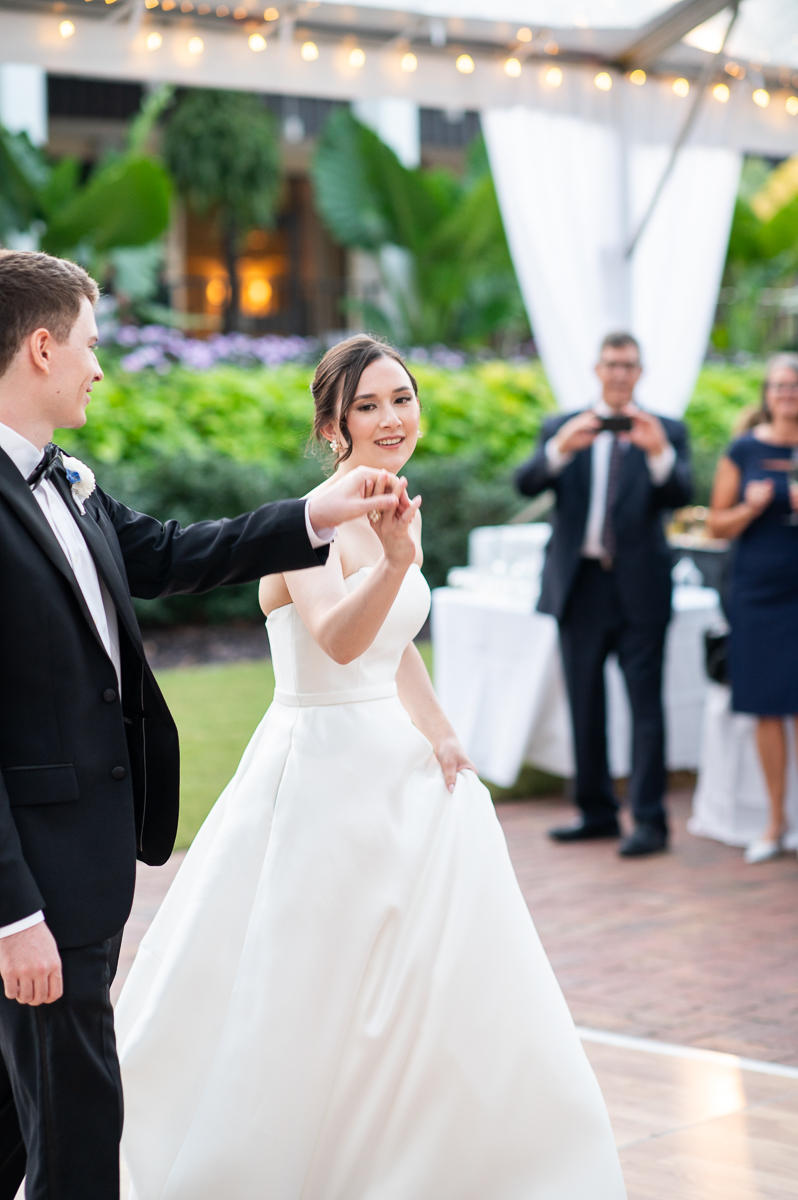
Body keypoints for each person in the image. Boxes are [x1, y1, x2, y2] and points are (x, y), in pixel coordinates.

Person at [116, 335, 626, 1200]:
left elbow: (397, 650)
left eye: (402, 398)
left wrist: (443, 733)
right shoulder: (298, 530)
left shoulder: (397, 506)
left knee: (428, 989)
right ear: (332, 426)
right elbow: (343, 639)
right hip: (317, 778)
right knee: (310, 985)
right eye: (368, 405)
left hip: (397, 775)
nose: (392, 419)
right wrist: (394, 561)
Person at [0, 250, 405, 1200]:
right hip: (35, 889)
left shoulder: (70, 481)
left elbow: (175, 555)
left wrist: (316, 510)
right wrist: (12, 912)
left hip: (84, 864)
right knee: (77, 1130)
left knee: (28, 1120)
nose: (101, 368)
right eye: (93, 347)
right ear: (43, 346)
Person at [515, 333, 692, 857]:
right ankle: (595, 812)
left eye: (629, 366)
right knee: (584, 704)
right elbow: (524, 483)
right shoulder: (564, 427)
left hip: (641, 587)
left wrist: (658, 451)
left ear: (640, 372)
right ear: (597, 369)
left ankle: (651, 821)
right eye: (612, 364)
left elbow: (682, 493)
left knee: (646, 708)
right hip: (582, 585)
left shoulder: (666, 430)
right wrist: (560, 449)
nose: (619, 374)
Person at [707, 352, 798, 864]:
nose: (788, 393)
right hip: (759, 594)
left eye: (796, 385)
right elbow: (716, 525)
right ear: (767, 392)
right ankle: (773, 821)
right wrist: (752, 506)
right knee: (767, 707)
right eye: (780, 385)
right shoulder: (744, 450)